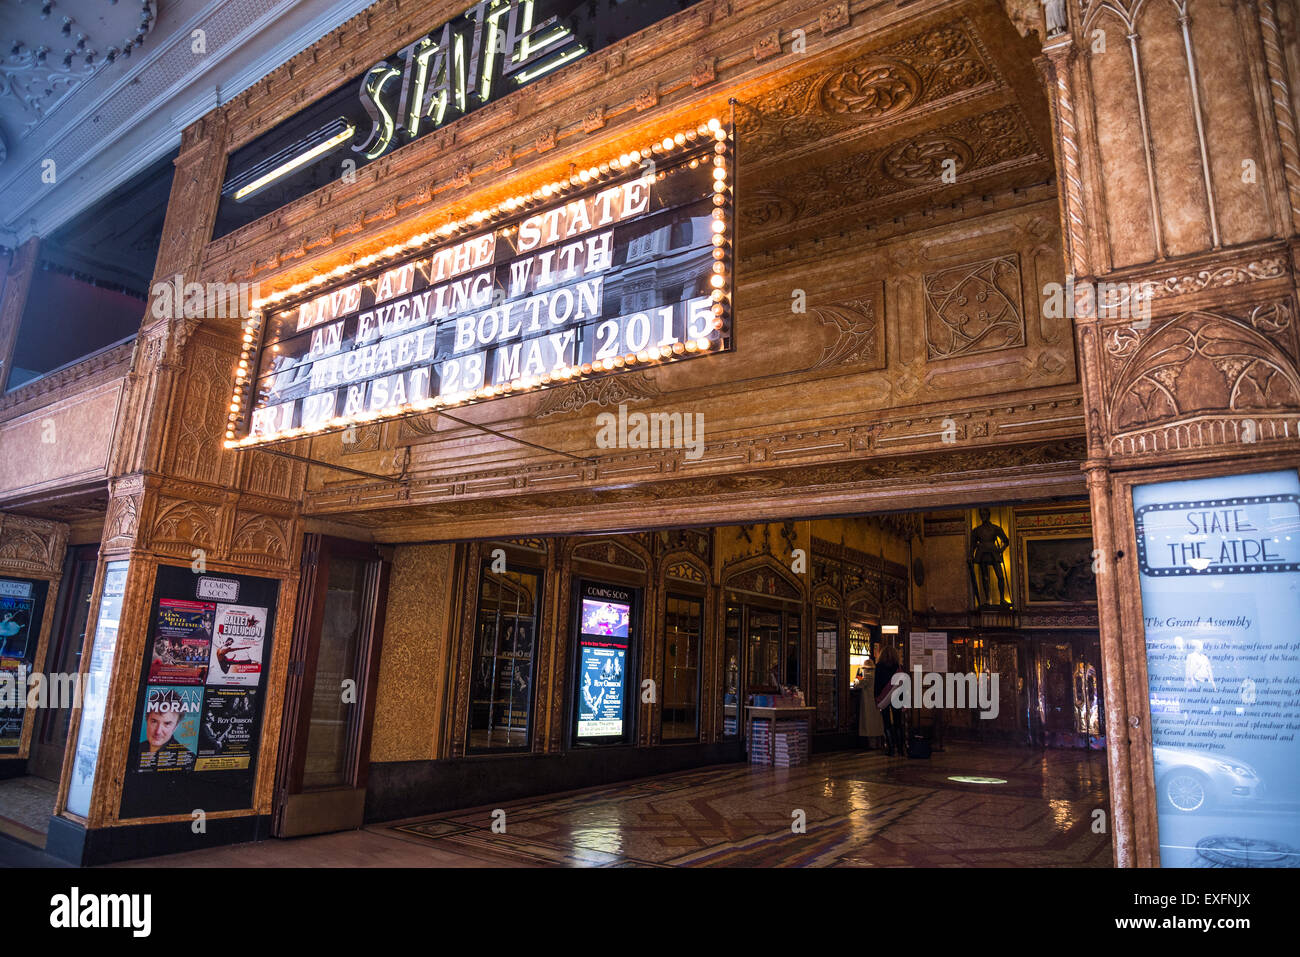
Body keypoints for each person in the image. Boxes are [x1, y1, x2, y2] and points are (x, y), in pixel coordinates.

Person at [874, 641, 904, 756]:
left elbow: (877, 684)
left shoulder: (879, 667)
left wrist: (876, 698)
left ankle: (891, 748)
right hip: (897, 697)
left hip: (884, 697)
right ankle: (900, 749)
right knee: (898, 722)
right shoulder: (899, 667)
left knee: (886, 722)